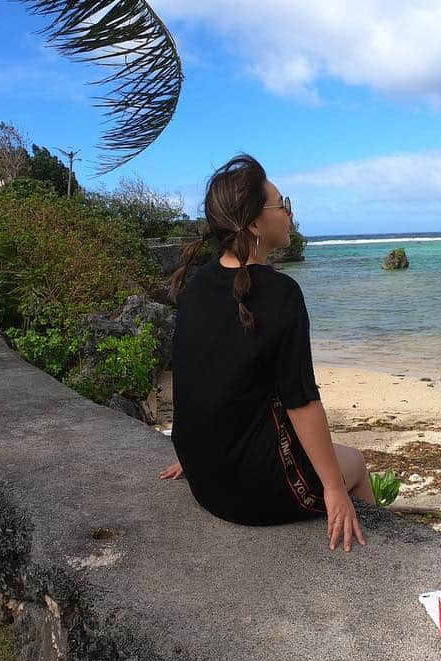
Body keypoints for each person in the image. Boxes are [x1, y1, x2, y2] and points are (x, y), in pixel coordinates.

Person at [160, 153, 375, 553]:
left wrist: (194, 453)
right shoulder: (281, 294)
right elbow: (301, 400)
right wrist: (332, 489)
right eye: (283, 205)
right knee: (357, 464)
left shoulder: (197, 285)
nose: (290, 214)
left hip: (205, 479)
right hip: (251, 491)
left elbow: (193, 379)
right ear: (256, 223)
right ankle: (369, 564)